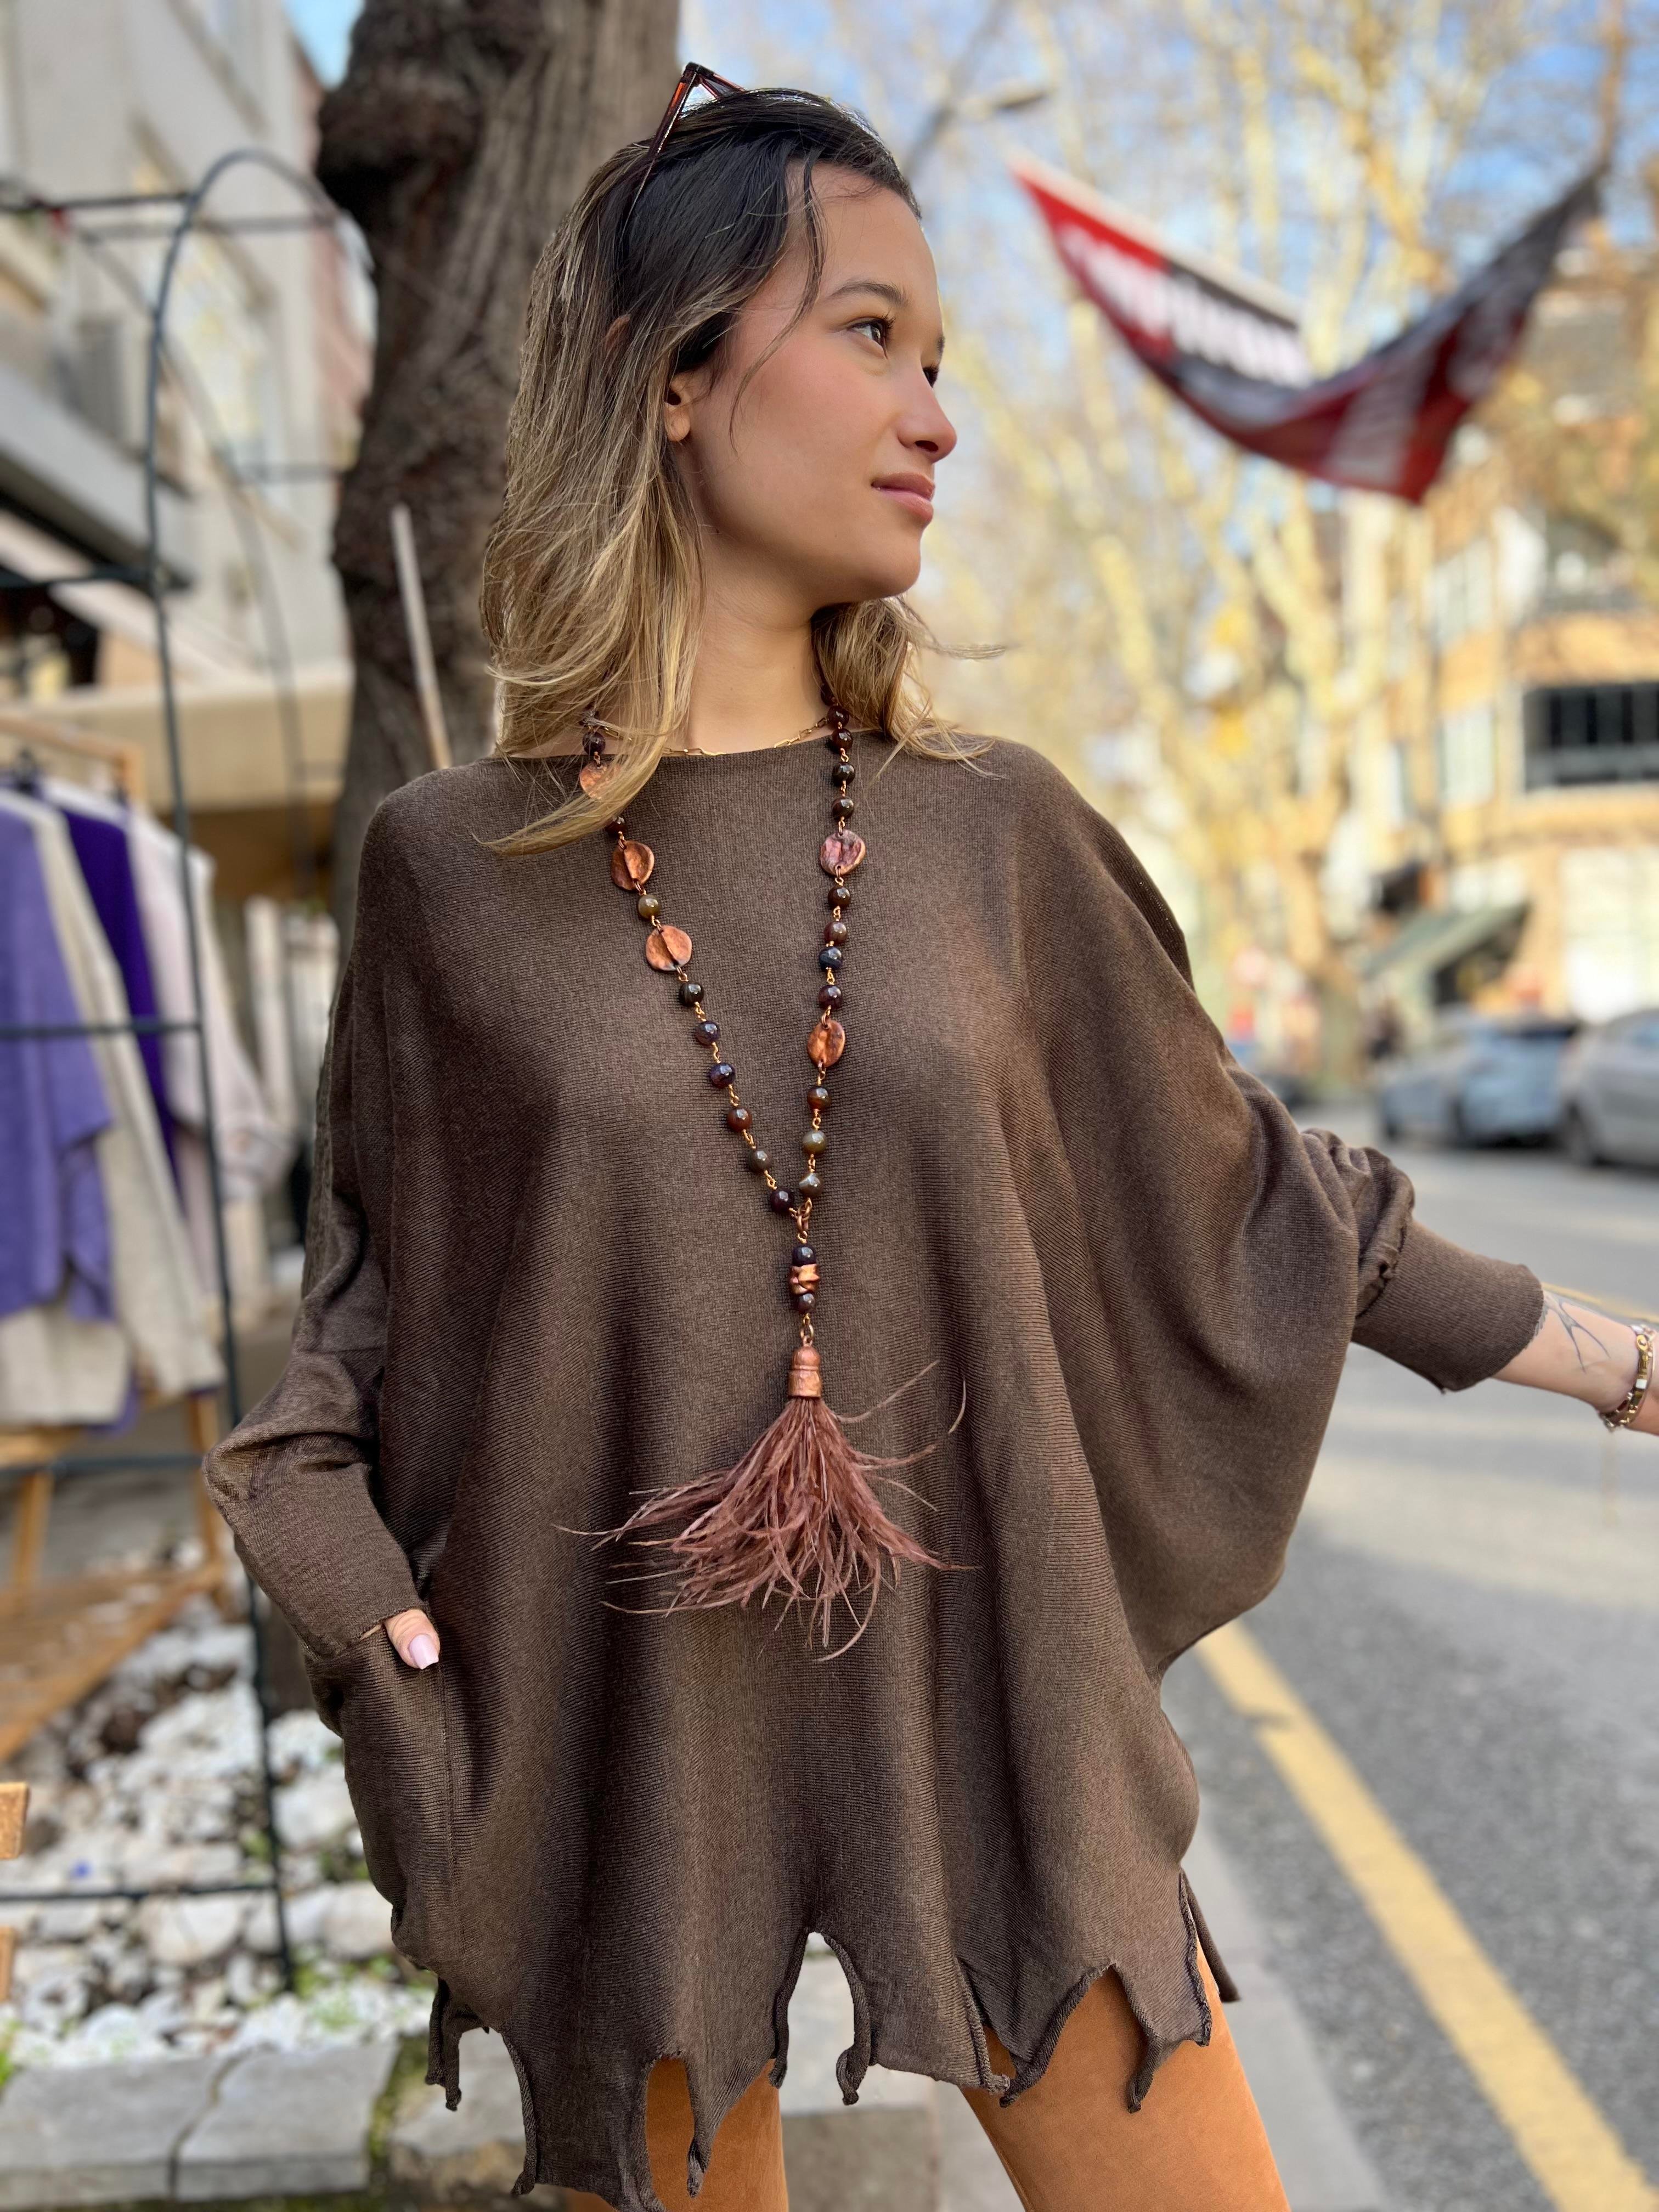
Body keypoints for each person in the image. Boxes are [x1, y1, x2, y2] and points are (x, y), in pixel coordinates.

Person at [202, 76, 1657, 2212]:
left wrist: (1620, 1364)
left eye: (943, 357)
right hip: (627, 1750)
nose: (938, 416)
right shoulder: (452, 872)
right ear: (674, 378)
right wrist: (340, 1584)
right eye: (872, 335)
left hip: (992, 1710)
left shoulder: (995, 834)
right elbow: (376, 1308)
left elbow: (1257, 1198)